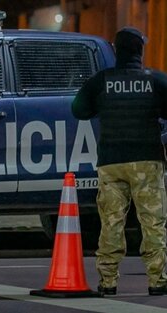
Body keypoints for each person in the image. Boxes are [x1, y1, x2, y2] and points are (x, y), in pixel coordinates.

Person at [72, 27, 167, 296]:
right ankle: (158, 281)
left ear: (117, 50)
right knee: (153, 222)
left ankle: (108, 281)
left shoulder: (101, 81)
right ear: (140, 50)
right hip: (147, 162)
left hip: (111, 161)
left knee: (111, 222)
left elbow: (78, 109)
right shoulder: (156, 81)